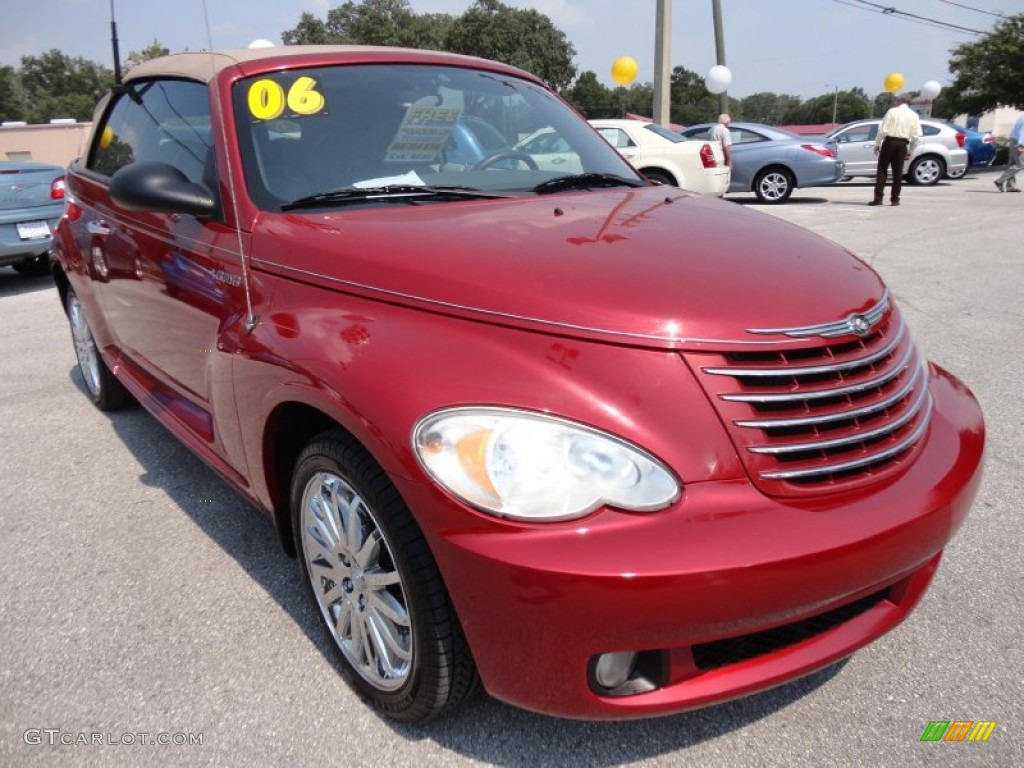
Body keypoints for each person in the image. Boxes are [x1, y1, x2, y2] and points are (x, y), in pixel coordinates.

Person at [870, 93, 922, 207]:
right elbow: (917, 136)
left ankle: (878, 198)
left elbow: (883, 130)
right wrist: (910, 150)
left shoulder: (892, 111)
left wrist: (877, 144)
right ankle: (895, 199)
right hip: (903, 143)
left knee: (882, 170)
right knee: (898, 172)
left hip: (889, 141)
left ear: (899, 101)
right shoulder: (914, 115)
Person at [994, 113, 1024, 193]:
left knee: (1012, 164)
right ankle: (1000, 181)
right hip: (1018, 141)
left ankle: (1010, 186)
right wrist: (1021, 145)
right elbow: (1023, 131)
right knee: (1020, 164)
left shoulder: (1022, 115)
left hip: (1014, 139)